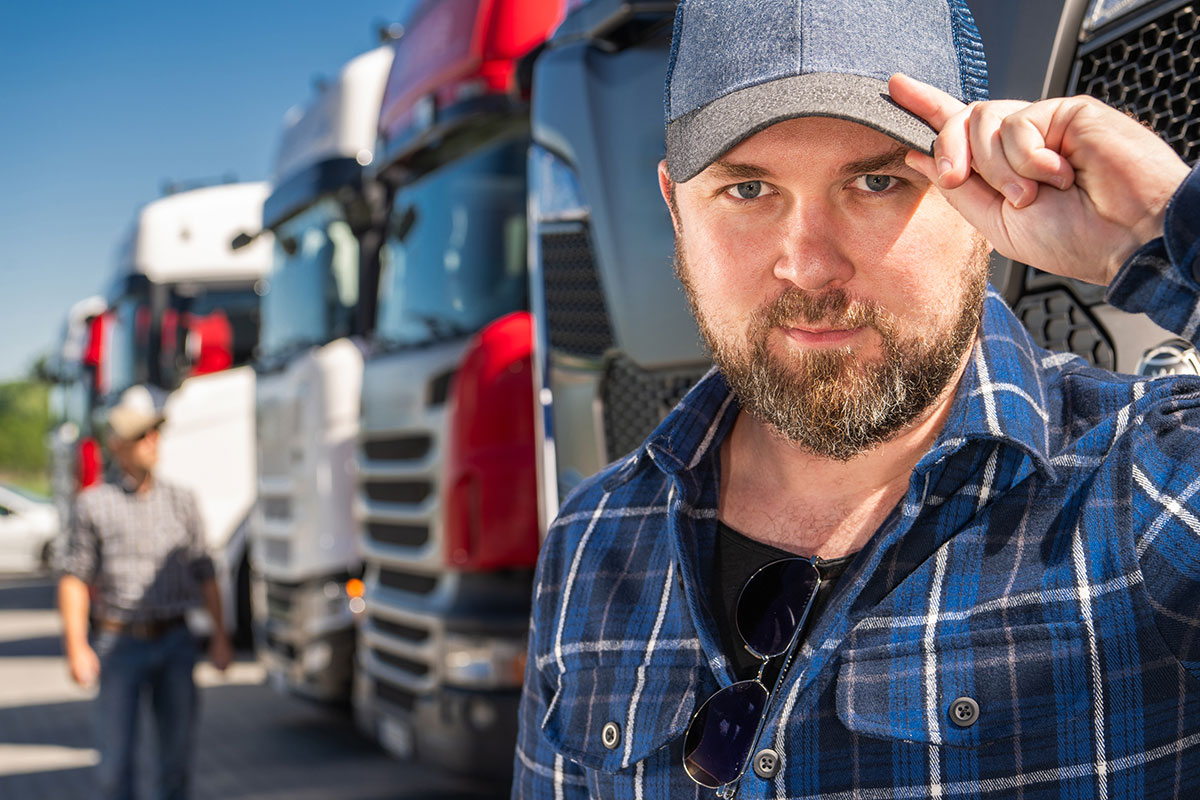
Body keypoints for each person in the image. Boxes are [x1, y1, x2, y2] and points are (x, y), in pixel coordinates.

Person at [512, 0, 1200, 797]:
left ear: (980, 195)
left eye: (876, 181)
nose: (807, 267)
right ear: (676, 211)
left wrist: (1161, 226)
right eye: (747, 190)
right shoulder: (591, 540)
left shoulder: (1147, 487)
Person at [57, 386, 233, 800]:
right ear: (118, 446)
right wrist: (76, 646)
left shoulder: (181, 500)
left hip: (175, 641)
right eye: (142, 436)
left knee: (175, 766)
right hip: (120, 645)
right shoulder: (94, 505)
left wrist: (221, 636)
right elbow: (75, 578)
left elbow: (205, 571)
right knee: (115, 769)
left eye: (155, 434)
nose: (153, 443)